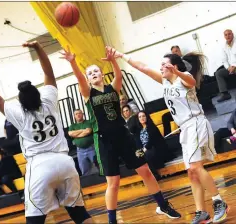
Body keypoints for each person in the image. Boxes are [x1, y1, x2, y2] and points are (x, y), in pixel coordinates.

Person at [0, 41, 93, 224]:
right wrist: (38, 48)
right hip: (65, 162)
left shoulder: (18, 113)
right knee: (80, 214)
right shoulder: (49, 101)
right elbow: (49, 74)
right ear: (38, 94)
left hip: (40, 166)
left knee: (34, 221)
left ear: (21, 102)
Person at [60, 46, 181, 224]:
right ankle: (112, 221)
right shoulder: (88, 93)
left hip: (124, 137)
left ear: (101, 74)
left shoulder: (112, 88)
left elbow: (119, 76)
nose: (93, 74)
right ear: (88, 79)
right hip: (104, 140)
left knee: (145, 171)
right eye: (90, 73)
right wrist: (73, 63)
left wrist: (114, 61)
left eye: (96, 71)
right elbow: (79, 78)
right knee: (113, 182)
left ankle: (163, 205)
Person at [115, 49, 229, 223]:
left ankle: (219, 202)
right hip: (186, 129)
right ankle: (202, 212)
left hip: (196, 123)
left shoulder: (183, 79)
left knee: (195, 168)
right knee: (192, 173)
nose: (160, 67)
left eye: (164, 64)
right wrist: (122, 56)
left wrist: (177, 72)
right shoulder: (165, 82)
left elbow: (191, 80)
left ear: (174, 66)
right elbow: (143, 67)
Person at [128, 111, 169, 179]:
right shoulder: (138, 130)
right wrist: (139, 151)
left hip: (154, 148)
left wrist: (144, 149)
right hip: (145, 150)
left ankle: (155, 176)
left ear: (147, 117)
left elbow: (152, 141)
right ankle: (147, 177)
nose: (142, 118)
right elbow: (138, 143)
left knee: (146, 155)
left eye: (143, 116)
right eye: (140, 117)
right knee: (137, 157)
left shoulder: (152, 127)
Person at [68, 109, 98, 175]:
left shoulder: (88, 122)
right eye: (76, 114)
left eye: (79, 113)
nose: (78, 115)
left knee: (99, 166)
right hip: (80, 151)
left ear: (82, 114)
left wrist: (76, 135)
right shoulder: (72, 126)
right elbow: (70, 133)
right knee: (84, 171)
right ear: (74, 116)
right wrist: (82, 130)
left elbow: (88, 131)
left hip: (91, 149)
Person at [215, 29, 236, 102]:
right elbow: (224, 60)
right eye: (226, 35)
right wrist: (228, 67)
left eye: (229, 34)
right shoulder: (224, 46)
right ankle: (225, 94)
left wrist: (234, 66)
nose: (228, 36)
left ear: (232, 34)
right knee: (219, 73)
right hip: (230, 68)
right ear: (224, 36)